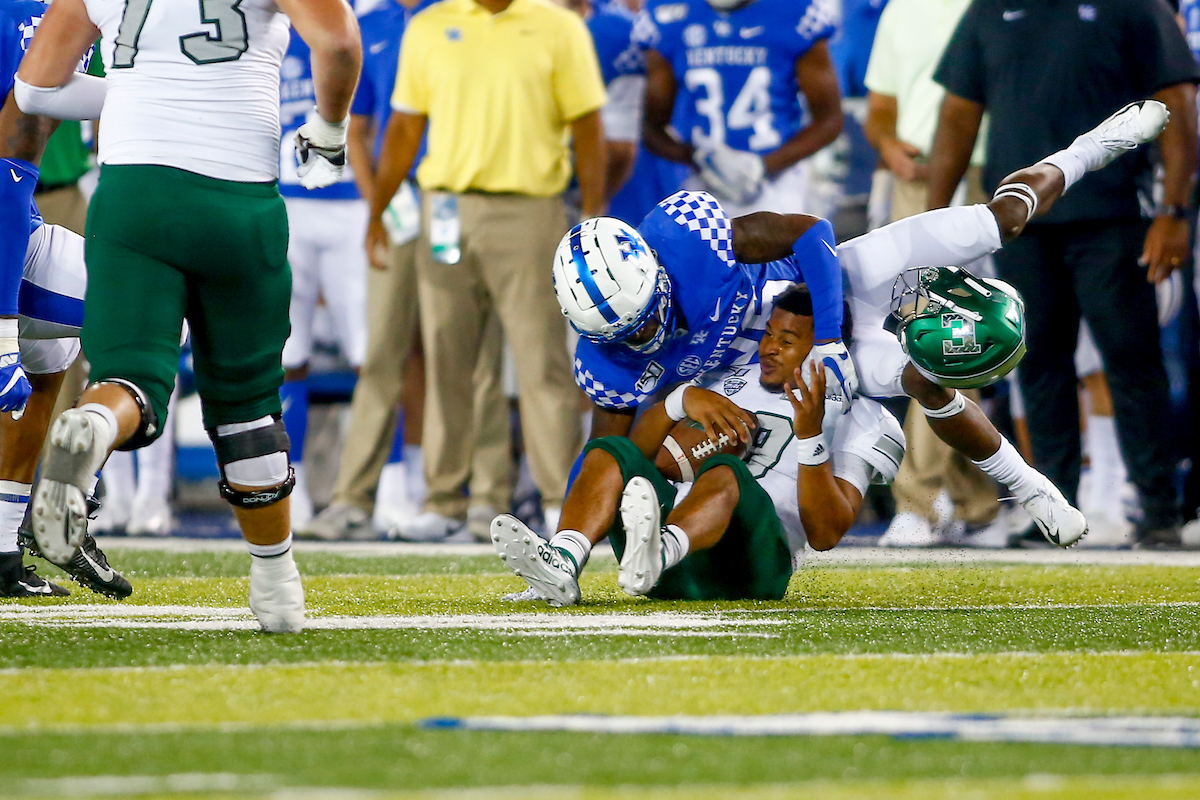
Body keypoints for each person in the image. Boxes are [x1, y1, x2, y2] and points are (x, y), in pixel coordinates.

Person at [560, 100, 1173, 549]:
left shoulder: (690, 238)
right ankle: (1033, 485)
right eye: (625, 335)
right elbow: (608, 452)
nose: (643, 338)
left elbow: (812, 235)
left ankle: (1091, 146)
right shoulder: (609, 359)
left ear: (654, 273)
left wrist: (827, 336)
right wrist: (570, 545)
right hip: (775, 366)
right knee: (925, 381)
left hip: (836, 286)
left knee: (999, 222)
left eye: (645, 319)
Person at [16, 0, 362, 632]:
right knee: (247, 407)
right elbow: (337, 45)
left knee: (128, 376)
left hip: (130, 192)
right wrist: (330, 130)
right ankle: (276, 581)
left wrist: (136, 88)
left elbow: (36, 88)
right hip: (236, 195)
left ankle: (92, 426)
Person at [926, 0, 1199, 549]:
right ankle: (1052, 508)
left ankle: (1159, 508)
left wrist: (1174, 212)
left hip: (1116, 215)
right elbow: (959, 111)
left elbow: (1177, 101)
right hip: (1021, 221)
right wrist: (935, 221)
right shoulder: (990, 9)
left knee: (1131, 359)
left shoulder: (1135, 7)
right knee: (1037, 363)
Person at [364, 0, 607, 541]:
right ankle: (448, 501)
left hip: (529, 211)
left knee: (541, 361)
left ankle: (557, 500)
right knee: (449, 357)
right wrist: (378, 209)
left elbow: (588, 123)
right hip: (444, 206)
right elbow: (404, 129)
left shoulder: (558, 27)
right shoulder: (428, 27)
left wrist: (592, 212)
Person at [492, 285, 903, 605]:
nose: (769, 347)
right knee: (610, 449)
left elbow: (826, 533)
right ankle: (564, 561)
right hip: (669, 559)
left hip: (753, 566)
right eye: (769, 334)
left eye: (787, 339)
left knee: (729, 472)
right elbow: (639, 459)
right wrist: (679, 399)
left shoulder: (862, 415)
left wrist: (812, 437)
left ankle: (660, 550)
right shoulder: (731, 380)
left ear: (823, 349)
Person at [303, 0, 511, 542]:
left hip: (454, 200)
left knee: (463, 352)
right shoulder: (370, 27)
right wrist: (379, 209)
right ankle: (353, 499)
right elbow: (362, 132)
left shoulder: (469, 17)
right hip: (399, 201)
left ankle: (478, 498)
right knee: (380, 353)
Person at [0, 0, 128, 598]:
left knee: (52, 355)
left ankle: (18, 531)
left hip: (17, 218)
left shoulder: (60, 10)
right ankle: (65, 494)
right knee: (141, 319)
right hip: (6, 212)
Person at [861, 0, 1000, 547]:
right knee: (941, 336)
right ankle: (975, 502)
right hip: (918, 182)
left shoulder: (993, 7)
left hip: (990, 179)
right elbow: (880, 109)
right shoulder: (901, 9)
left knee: (958, 337)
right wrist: (889, 147)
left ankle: (925, 499)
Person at [276, 29, 370, 531]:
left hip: (353, 201)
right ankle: (291, 484)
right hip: (286, 198)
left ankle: (383, 487)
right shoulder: (264, 25)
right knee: (288, 356)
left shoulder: (365, 26)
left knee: (368, 356)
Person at [634, 0, 843, 217]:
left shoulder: (797, 13)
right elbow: (651, 128)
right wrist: (698, 158)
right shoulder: (664, 14)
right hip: (698, 182)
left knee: (779, 246)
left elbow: (829, 121)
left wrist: (762, 166)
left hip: (779, 179)